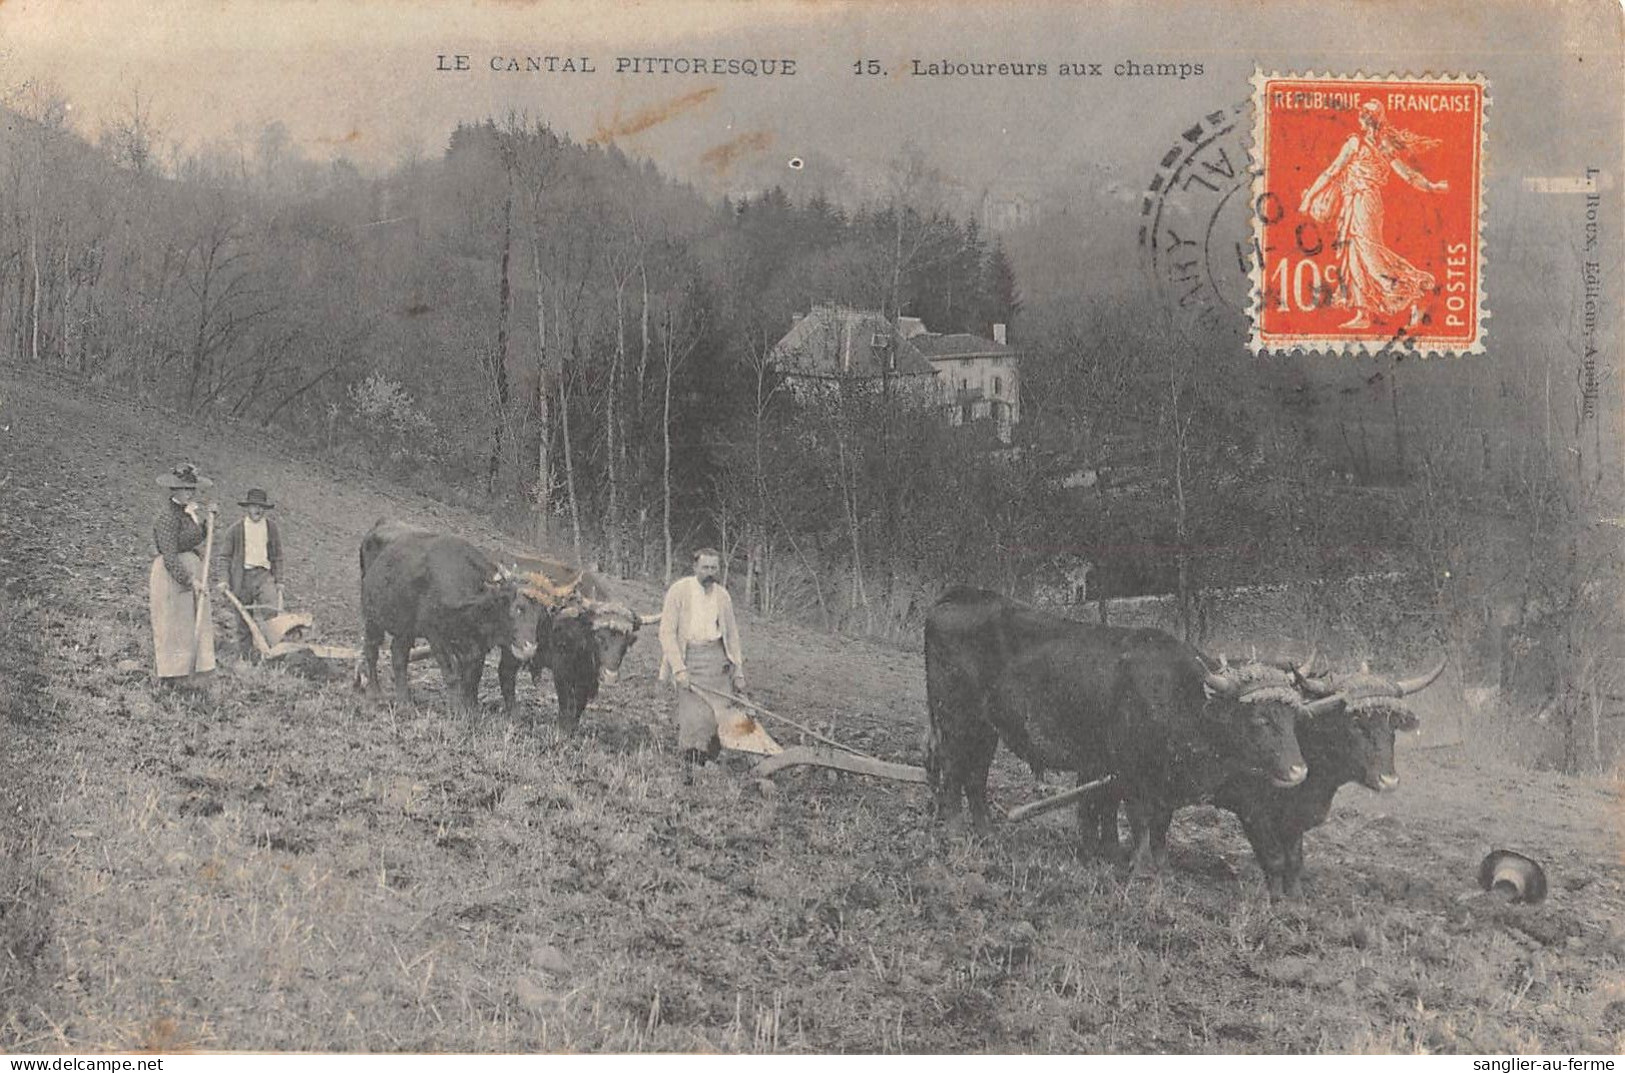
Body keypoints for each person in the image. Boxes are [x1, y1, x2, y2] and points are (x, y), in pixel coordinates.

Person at [1298, 99, 1450, 330]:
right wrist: (1433, 186)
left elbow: (1332, 171)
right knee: (1354, 253)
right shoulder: (1382, 146)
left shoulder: (1356, 143)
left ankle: (1410, 288)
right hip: (1359, 202)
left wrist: (1309, 197)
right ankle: (1364, 314)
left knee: (1367, 253)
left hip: (1363, 202)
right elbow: (1409, 176)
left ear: (1363, 119)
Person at [657, 547, 746, 780]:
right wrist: (679, 668)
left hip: (717, 660)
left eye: (714, 568)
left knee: (719, 714)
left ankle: (711, 763)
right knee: (693, 715)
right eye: (705, 567)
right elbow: (666, 633)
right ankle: (689, 765)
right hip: (690, 659)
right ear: (695, 567)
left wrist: (738, 671)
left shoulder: (722, 596)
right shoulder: (679, 592)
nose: (710, 572)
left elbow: (732, 635)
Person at [149, 463, 218, 690]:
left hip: (192, 570)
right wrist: (190, 580)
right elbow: (169, 557)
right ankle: (172, 676)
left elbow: (193, 538)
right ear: (174, 490)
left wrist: (208, 521)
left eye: (192, 488)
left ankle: (195, 674)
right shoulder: (167, 518)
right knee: (174, 623)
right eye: (185, 488)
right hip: (172, 576)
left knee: (193, 621)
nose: (189, 492)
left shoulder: (188, 513)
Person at [218, 487, 286, 659]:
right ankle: (246, 657)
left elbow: (277, 556)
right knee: (243, 619)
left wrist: (279, 580)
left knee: (272, 614)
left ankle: (275, 654)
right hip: (242, 578)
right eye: (254, 506)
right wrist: (224, 580)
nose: (258, 510)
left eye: (261, 506)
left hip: (264, 577)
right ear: (247, 508)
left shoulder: (271, 528)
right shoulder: (235, 530)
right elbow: (224, 557)